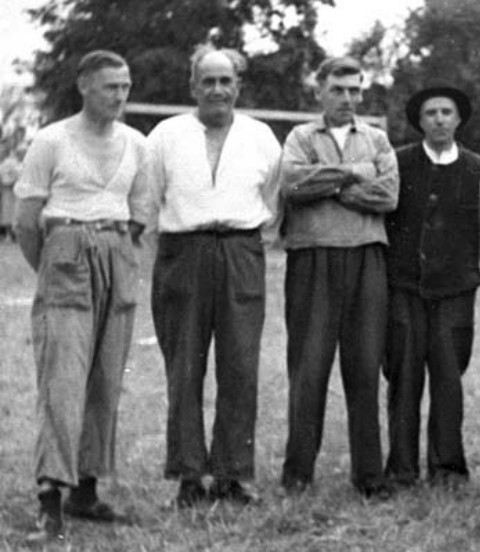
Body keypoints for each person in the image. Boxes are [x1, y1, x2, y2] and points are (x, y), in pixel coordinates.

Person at [13, 50, 151, 542]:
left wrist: (112, 253)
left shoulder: (136, 144)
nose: (120, 95)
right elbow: (27, 222)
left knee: (106, 379)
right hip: (65, 252)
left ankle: (86, 492)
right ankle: (50, 500)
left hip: (116, 253)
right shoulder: (52, 140)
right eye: (111, 86)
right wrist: (54, 266)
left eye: (126, 86)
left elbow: (138, 214)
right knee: (63, 382)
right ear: (84, 87)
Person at [146, 46, 281, 507]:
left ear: (238, 86)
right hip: (183, 252)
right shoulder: (165, 135)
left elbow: (272, 195)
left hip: (241, 249)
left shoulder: (262, 137)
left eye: (226, 81)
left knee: (240, 365)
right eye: (209, 81)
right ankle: (188, 475)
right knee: (184, 366)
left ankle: (232, 475)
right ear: (193, 87)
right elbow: (148, 199)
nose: (218, 90)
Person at [279, 56, 398, 499]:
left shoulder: (377, 138)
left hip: (366, 258)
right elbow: (292, 186)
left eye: (354, 90)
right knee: (309, 368)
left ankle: (369, 476)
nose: (347, 98)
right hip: (312, 259)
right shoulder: (300, 137)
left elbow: (387, 195)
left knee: (365, 368)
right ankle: (297, 474)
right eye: (338, 90)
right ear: (320, 91)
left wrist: (325, 185)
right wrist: (351, 176)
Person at [383, 85, 480, 487]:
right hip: (405, 287)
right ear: (420, 121)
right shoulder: (398, 164)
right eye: (431, 113)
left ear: (459, 119)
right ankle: (402, 469)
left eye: (447, 112)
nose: (440, 119)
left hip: (455, 291)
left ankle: (447, 469)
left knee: (448, 378)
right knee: (403, 376)